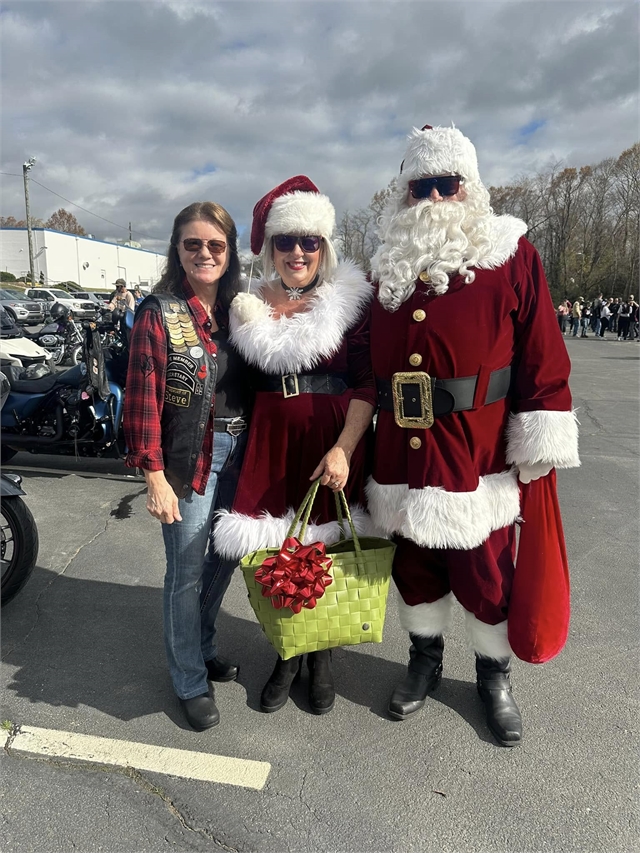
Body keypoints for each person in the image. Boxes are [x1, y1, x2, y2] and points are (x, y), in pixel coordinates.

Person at [367, 124, 580, 747]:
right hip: (400, 454)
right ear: (404, 194)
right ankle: (425, 661)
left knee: (486, 574)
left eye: (446, 184)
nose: (432, 199)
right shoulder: (387, 265)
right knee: (415, 566)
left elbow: (543, 355)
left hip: (475, 453)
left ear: (470, 187)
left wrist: (539, 439)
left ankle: (493, 676)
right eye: (420, 187)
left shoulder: (510, 253)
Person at [214, 176, 376, 716]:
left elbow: (366, 383)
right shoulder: (245, 306)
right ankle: (287, 652)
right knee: (278, 550)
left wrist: (345, 449)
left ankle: (320, 657)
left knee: (323, 548)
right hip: (271, 439)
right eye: (286, 242)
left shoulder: (348, 300)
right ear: (270, 248)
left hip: (329, 438)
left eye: (310, 241)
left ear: (325, 246)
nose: (298, 252)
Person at [123, 202, 253, 731]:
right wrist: (154, 475)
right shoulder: (160, 311)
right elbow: (142, 396)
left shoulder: (241, 311)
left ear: (229, 253)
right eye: (193, 243)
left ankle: (201, 645)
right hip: (190, 460)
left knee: (225, 559)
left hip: (243, 454)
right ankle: (188, 679)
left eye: (215, 245)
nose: (204, 253)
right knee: (186, 572)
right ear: (177, 250)